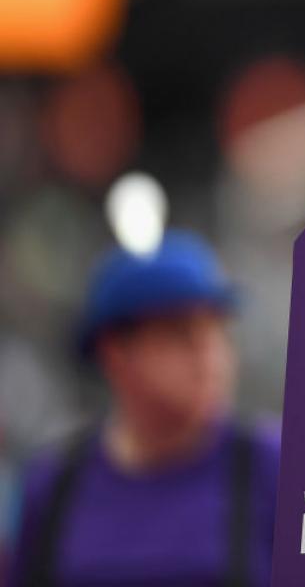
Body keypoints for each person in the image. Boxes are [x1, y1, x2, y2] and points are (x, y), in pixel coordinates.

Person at [7, 230, 279, 587]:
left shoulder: (271, 468)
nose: (210, 358)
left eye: (218, 333)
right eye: (181, 335)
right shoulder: (55, 486)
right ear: (115, 355)